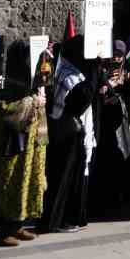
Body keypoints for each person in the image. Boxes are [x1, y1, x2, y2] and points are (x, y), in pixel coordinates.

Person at [0, 42, 47, 247]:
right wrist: (31, 102)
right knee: (9, 183)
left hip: (29, 145)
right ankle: (2, 231)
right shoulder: (6, 82)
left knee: (25, 184)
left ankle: (18, 225)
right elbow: (5, 111)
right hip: (12, 146)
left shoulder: (30, 81)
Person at [42, 35, 94, 231]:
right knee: (62, 178)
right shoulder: (71, 75)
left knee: (63, 177)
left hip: (63, 129)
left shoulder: (62, 68)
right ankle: (58, 219)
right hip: (66, 131)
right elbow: (76, 102)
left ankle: (60, 218)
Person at [89, 40, 130, 219]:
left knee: (122, 155)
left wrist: (129, 82)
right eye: (114, 54)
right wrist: (110, 85)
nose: (116, 58)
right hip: (106, 120)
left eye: (120, 55)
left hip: (121, 121)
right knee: (106, 157)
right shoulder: (103, 69)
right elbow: (99, 91)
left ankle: (118, 197)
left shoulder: (127, 70)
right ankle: (104, 199)